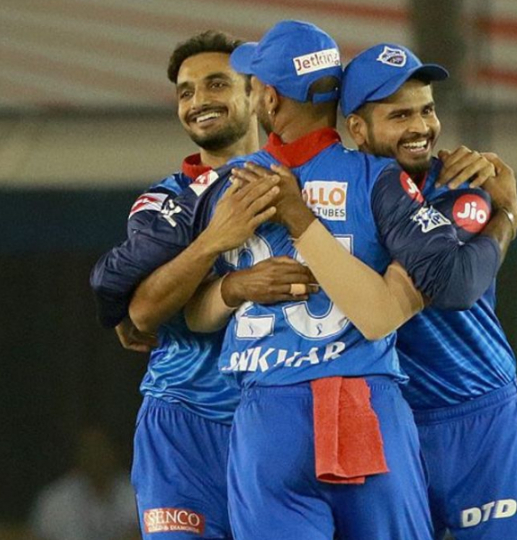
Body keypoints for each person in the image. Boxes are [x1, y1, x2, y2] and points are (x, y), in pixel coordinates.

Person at [91, 20, 517, 540]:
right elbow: (439, 287)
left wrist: (228, 286)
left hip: (267, 413)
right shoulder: (381, 177)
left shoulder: (223, 186)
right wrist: (503, 216)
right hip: (364, 402)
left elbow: (162, 308)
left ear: (269, 100)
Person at [91, 30, 314, 540]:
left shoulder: (309, 182)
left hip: (283, 421)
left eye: (216, 84)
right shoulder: (165, 201)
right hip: (182, 423)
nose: (198, 102)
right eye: (186, 92)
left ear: (257, 94)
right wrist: (215, 239)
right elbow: (143, 313)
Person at [338, 44, 517, 539]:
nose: (421, 127)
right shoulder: (338, 196)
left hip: (481, 415)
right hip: (389, 422)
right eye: (400, 115)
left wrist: (507, 214)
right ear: (358, 129)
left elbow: (458, 284)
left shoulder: (463, 185)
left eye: (427, 110)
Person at [30, 426, 139, 540]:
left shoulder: (138, 495)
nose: (96, 457)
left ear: (114, 452)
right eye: (89, 450)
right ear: (78, 455)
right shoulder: (54, 501)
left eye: (100, 449)